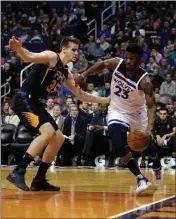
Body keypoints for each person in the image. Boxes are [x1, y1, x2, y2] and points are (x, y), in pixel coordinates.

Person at [6, 36, 110, 192]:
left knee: (59, 138)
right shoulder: (52, 57)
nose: (76, 53)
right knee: (47, 132)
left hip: (35, 103)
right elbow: (29, 56)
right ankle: (18, 171)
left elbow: (82, 96)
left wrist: (106, 99)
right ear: (64, 49)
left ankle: (39, 179)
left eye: (78, 50)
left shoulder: (66, 73)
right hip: (23, 99)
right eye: (73, 50)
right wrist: (19, 49)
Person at [75, 43, 162, 195]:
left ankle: (156, 164)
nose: (128, 61)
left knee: (145, 144)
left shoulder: (144, 81)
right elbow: (102, 64)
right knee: (116, 140)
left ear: (140, 60)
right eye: (127, 58)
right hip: (117, 110)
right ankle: (141, 178)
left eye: (132, 59)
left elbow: (152, 105)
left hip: (137, 113)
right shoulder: (117, 63)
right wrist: (83, 75)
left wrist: (149, 129)